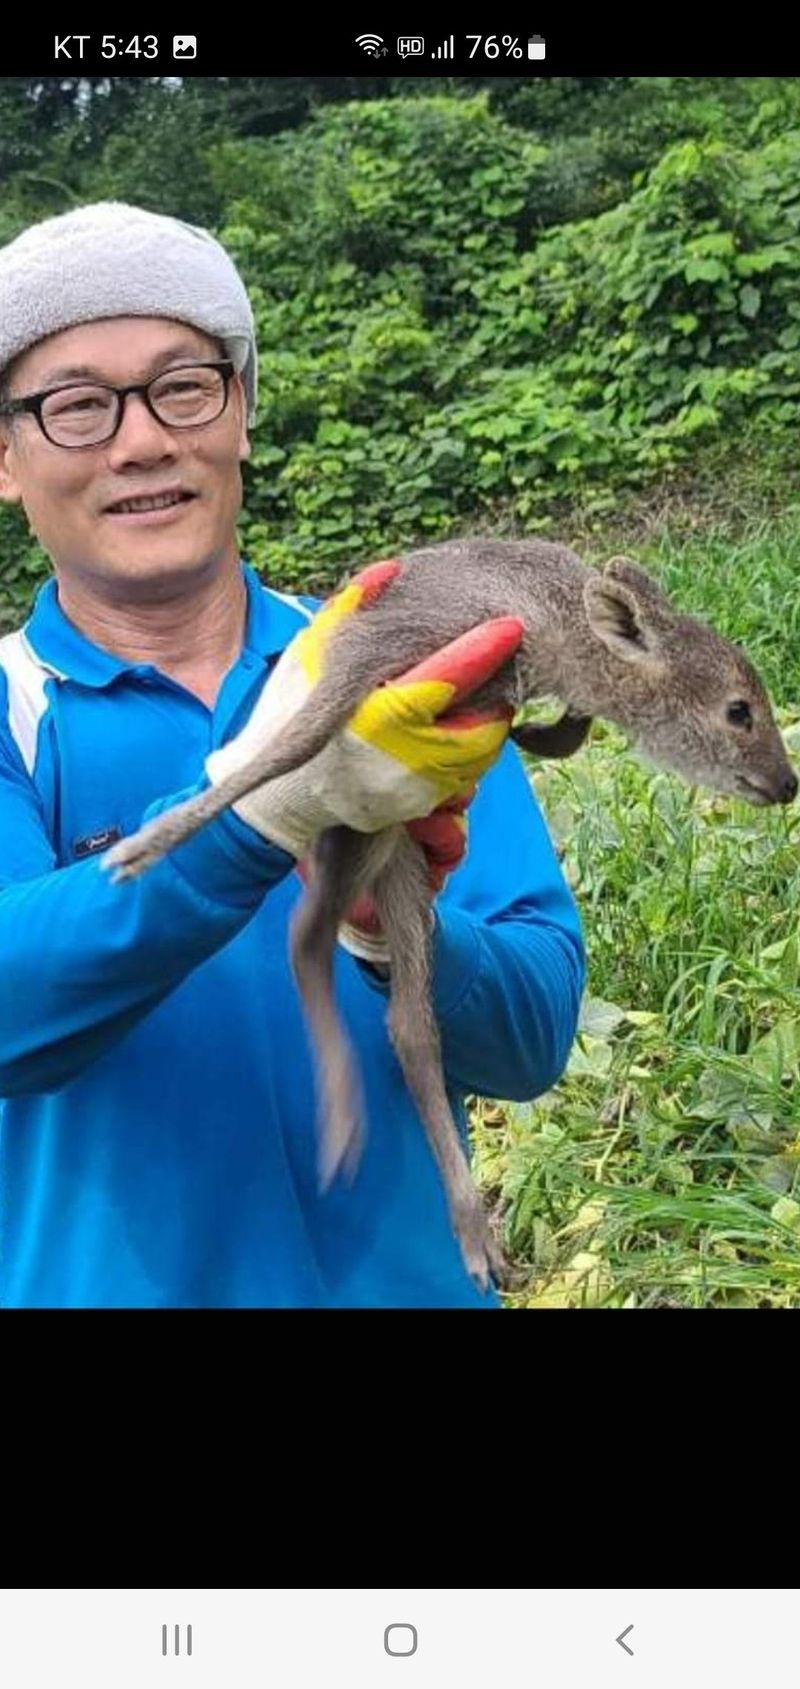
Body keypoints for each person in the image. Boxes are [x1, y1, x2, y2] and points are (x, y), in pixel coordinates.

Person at [0, 201, 586, 1308]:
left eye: (185, 385)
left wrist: (389, 934)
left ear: (242, 415)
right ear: (6, 457)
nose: (141, 439)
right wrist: (266, 814)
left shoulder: (414, 668)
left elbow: (533, 1036)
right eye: (76, 406)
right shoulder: (8, 706)